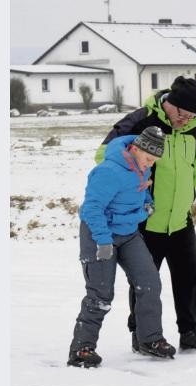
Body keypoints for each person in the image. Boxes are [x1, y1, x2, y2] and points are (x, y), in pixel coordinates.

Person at [94, 76, 196, 353]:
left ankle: (190, 332)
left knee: (190, 275)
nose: (184, 120)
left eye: (191, 116)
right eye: (181, 113)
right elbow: (104, 153)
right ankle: (140, 335)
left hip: (179, 219)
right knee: (144, 282)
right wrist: (132, 175)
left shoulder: (194, 129)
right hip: (145, 219)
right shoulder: (141, 120)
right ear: (170, 103)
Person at [67, 126, 177, 368]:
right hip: (99, 235)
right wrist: (103, 241)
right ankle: (82, 349)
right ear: (135, 149)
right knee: (101, 294)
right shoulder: (108, 171)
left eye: (154, 161)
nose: (150, 165)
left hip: (128, 233)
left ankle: (150, 339)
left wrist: (148, 204)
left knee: (149, 282)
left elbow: (139, 193)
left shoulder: (140, 168)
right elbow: (92, 209)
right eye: (148, 159)